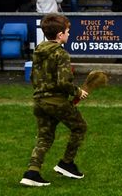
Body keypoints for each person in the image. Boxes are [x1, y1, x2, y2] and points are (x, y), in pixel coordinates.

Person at [19, 14, 88, 187]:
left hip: (39, 100)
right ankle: (66, 163)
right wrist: (78, 91)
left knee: (45, 136)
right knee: (79, 127)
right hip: (56, 101)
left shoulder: (39, 50)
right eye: (67, 31)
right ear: (60, 35)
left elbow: (34, 77)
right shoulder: (61, 54)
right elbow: (63, 82)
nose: (69, 35)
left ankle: (32, 172)